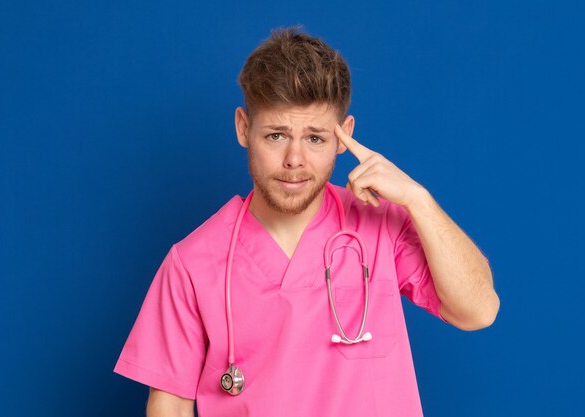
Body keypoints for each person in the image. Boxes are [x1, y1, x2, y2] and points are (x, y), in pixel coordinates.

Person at [113, 26, 500, 417]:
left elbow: (479, 310)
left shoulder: (382, 227)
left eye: (315, 138)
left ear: (343, 136)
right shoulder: (192, 264)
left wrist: (419, 199)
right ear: (244, 128)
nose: (294, 160)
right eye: (277, 135)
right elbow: (170, 407)